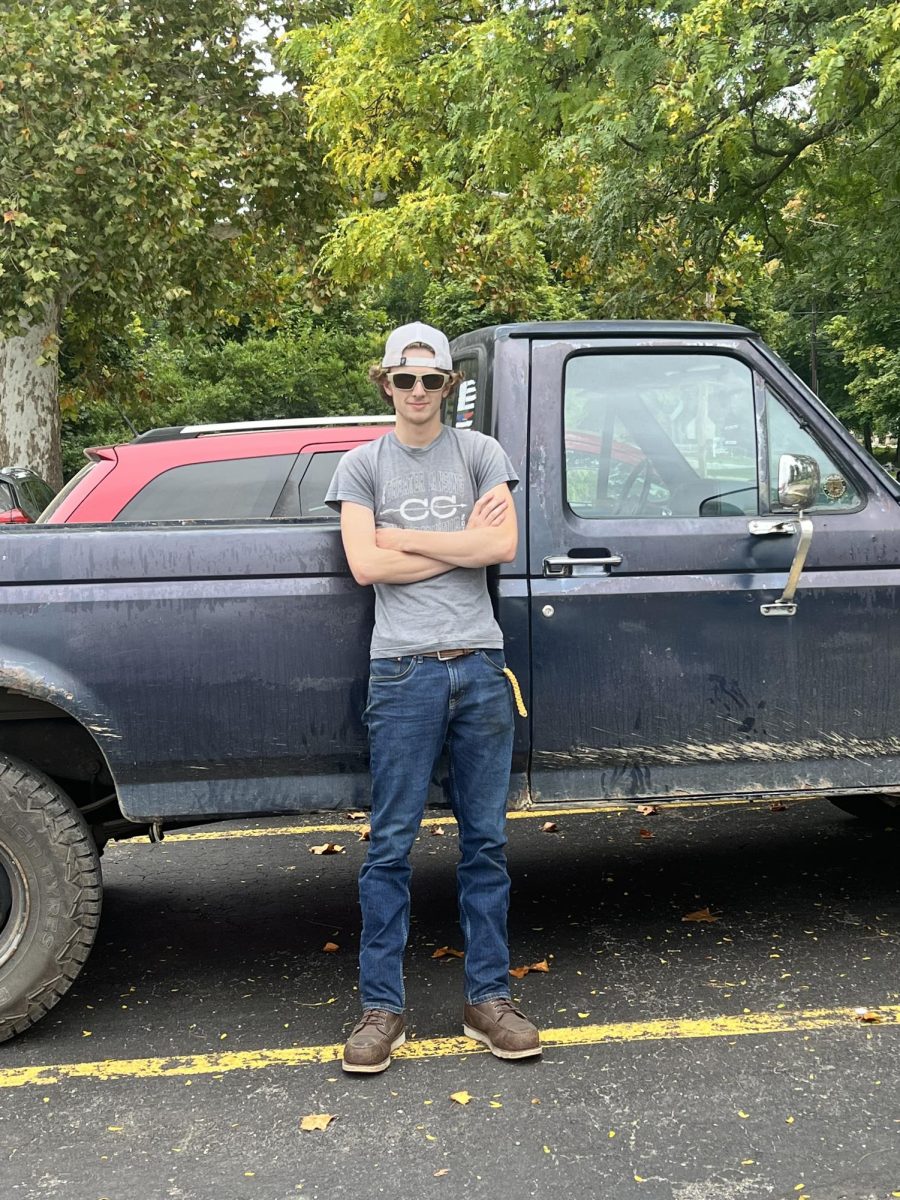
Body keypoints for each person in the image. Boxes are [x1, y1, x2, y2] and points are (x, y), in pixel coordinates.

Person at [325, 321, 541, 1074]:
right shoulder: (360, 465)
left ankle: (488, 1000)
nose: (418, 392)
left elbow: (499, 548)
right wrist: (453, 540)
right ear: (385, 382)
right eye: (405, 379)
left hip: (480, 669)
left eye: (433, 380)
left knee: (486, 842)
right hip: (403, 673)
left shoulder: (482, 454)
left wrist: (404, 542)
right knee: (390, 846)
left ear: (449, 386)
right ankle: (381, 1010)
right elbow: (360, 563)